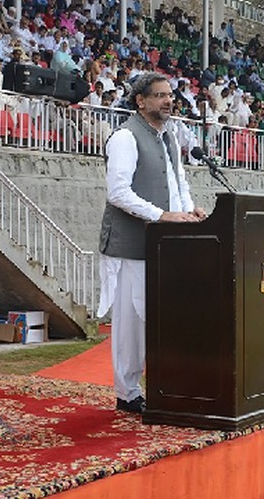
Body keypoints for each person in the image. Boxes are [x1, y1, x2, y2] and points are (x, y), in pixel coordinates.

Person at [97, 73, 206, 414]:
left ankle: (165, 384)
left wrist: (189, 210)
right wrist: (162, 215)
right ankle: (127, 393)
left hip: (165, 245)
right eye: (159, 95)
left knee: (161, 318)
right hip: (132, 245)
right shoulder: (125, 137)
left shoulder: (168, 137)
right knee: (132, 321)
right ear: (140, 101)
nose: (168, 100)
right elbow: (118, 192)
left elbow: (179, 183)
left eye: (169, 95)